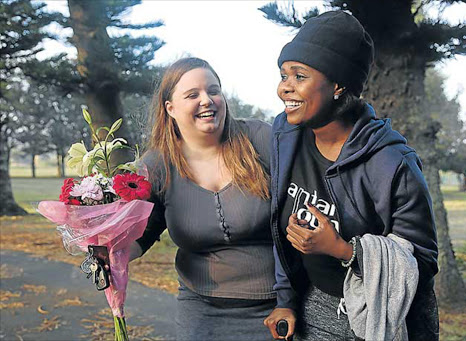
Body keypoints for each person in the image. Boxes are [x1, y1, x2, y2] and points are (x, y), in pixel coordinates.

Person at [263, 11, 439, 341]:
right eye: (283, 75)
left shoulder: (391, 162)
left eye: (299, 76)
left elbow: (424, 261)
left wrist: (345, 250)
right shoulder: (285, 135)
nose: (283, 88)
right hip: (313, 308)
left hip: (378, 319)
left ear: (338, 84)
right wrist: (286, 301)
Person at [128, 57, 276, 341]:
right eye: (192, 95)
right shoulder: (157, 165)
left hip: (276, 308)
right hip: (201, 310)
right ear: (170, 108)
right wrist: (109, 250)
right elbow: (143, 231)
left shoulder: (259, 139)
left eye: (214, 90)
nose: (207, 100)